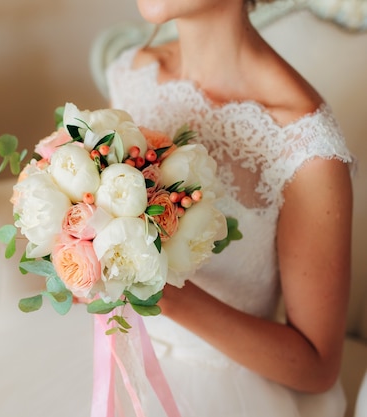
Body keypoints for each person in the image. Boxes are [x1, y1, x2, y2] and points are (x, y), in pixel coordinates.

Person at [105, 0, 355, 415]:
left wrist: (161, 293)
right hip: (119, 352)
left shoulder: (305, 146)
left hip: (221, 387)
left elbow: (317, 366)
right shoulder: (134, 72)